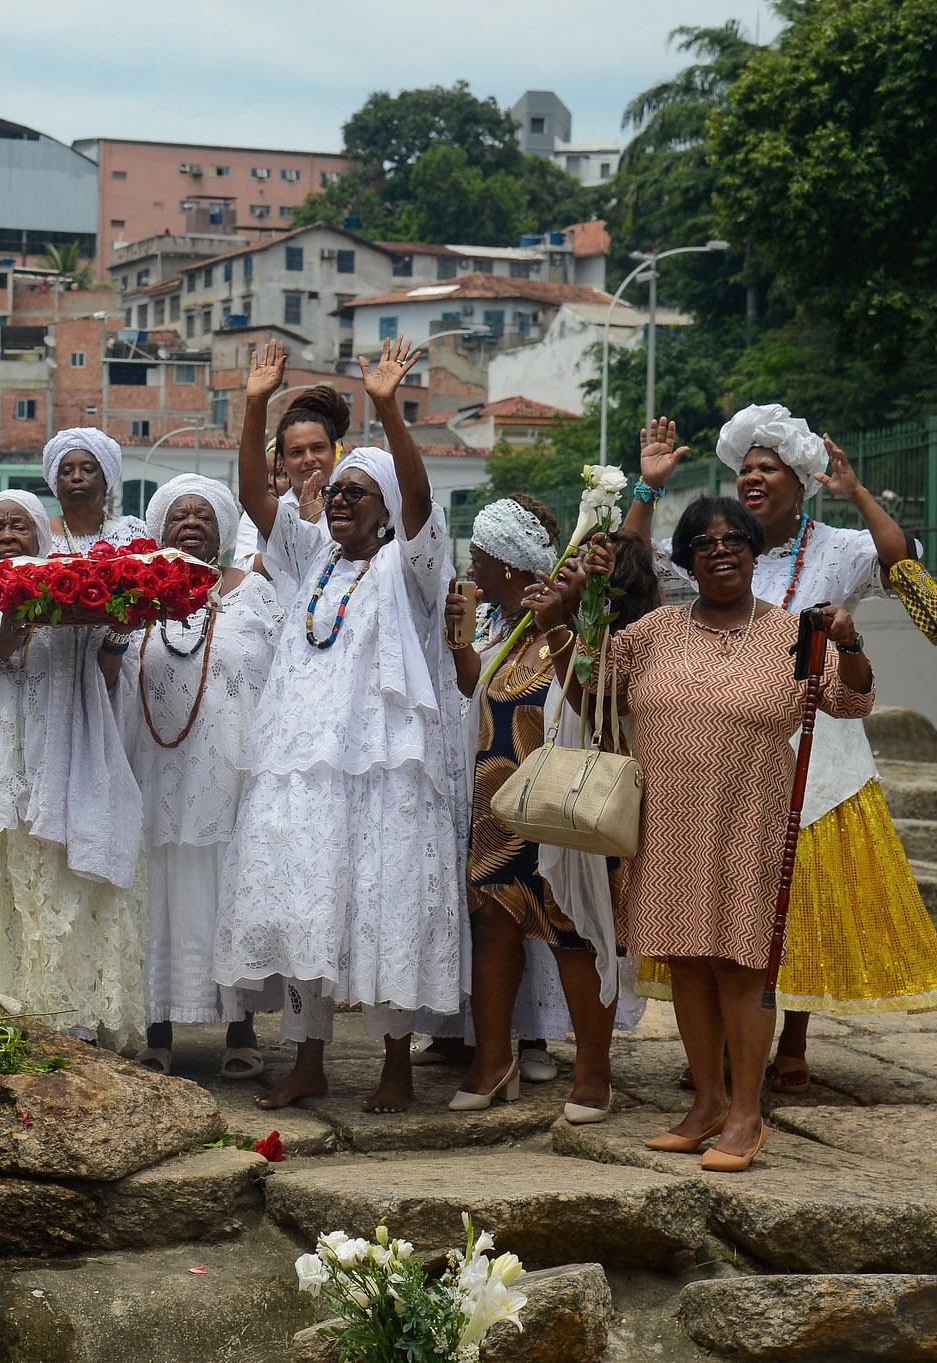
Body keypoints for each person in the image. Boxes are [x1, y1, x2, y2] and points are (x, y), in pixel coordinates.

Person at [623, 408, 937, 1090]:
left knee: (800, 901)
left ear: (801, 481)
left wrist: (859, 493)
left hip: (821, 752)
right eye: (744, 467)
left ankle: (792, 1042)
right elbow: (630, 573)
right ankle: (722, 1054)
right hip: (716, 753)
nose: (751, 476)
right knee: (725, 908)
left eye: (767, 467)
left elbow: (912, 584)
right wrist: (646, 487)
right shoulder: (714, 548)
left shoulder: (839, 547)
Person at [534, 496, 876, 1172]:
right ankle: (707, 1103)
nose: (720, 549)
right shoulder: (655, 630)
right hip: (669, 824)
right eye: (704, 541)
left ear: (754, 552)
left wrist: (851, 642)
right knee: (687, 961)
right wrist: (562, 630)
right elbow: (595, 693)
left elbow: (854, 698)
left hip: (750, 823)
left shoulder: (792, 631)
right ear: (687, 558)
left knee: (740, 965)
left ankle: (747, 1114)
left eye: (733, 540)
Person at [215, 336, 472, 1114]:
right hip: (300, 767)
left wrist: (390, 411)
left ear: (388, 507)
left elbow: (422, 500)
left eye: (359, 491)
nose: (340, 499)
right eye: (335, 491)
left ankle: (396, 1063)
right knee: (304, 906)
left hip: (386, 770)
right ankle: (310, 1060)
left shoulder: (413, 567)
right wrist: (256, 401)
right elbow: (258, 500)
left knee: (385, 903)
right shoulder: (307, 558)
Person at [0, 489, 148, 1045]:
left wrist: (117, 628)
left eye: (22, 525)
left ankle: (65, 1027)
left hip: (59, 774)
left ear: (43, 537)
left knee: (54, 895)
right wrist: (6, 640)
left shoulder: (78, 598)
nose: (10, 533)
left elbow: (107, 681)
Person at [439, 494, 622, 1123]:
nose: (473, 568)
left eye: (481, 559)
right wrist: (459, 640)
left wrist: (558, 628)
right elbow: (477, 692)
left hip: (559, 809)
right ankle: (493, 1062)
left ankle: (594, 1075)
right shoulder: (502, 630)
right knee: (492, 925)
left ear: (510, 567)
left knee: (572, 931)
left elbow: (596, 699)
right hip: (498, 813)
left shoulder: (576, 626)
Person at [124, 474, 281, 1078]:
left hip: (229, 769)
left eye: (205, 517)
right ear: (159, 529)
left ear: (224, 531)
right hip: (152, 769)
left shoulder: (255, 595)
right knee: (156, 890)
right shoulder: (133, 593)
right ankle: (156, 1030)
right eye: (179, 516)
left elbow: (276, 681)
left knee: (227, 890)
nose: (191, 525)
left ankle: (240, 1030)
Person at [231, 386, 349, 566]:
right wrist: (302, 527)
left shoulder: (353, 509)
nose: (309, 459)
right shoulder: (264, 514)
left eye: (318, 448)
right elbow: (244, 573)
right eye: (297, 452)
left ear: (334, 452)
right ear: (283, 462)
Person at [43, 427, 151, 551]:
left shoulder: (134, 532)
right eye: (67, 471)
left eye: (88, 470)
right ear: (56, 483)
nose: (76, 477)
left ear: (105, 481)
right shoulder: (39, 536)